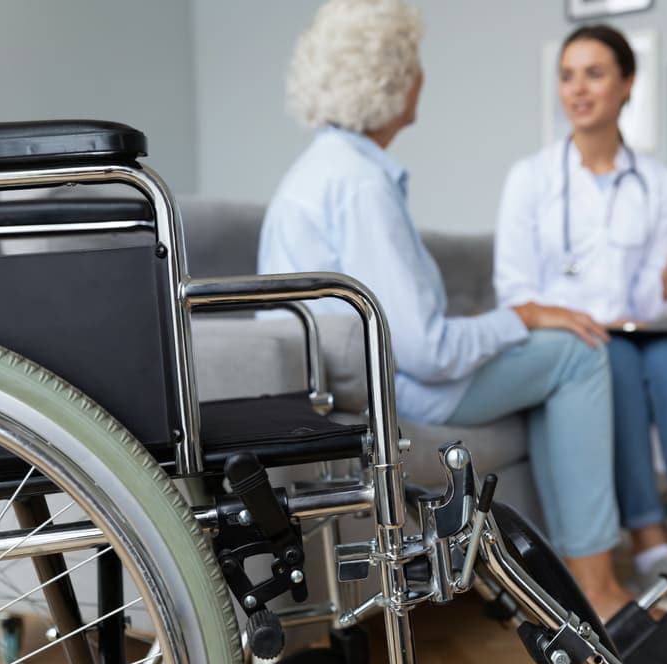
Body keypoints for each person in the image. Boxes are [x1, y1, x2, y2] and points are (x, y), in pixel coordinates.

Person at [259, 0, 632, 619]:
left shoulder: (324, 169)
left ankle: (545, 572)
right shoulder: (360, 185)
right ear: (392, 80)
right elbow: (428, 352)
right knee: (577, 352)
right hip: (395, 393)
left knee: (551, 360)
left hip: (342, 384)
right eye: (416, 64)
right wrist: (525, 317)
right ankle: (594, 584)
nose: (423, 78)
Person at [494, 24, 667, 635]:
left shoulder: (657, 182)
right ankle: (653, 550)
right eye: (567, 76)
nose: (577, 89)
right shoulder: (531, 179)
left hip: (632, 331)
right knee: (609, 359)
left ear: (626, 86)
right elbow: (514, 290)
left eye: (594, 74)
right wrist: (566, 318)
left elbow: (647, 298)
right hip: (570, 340)